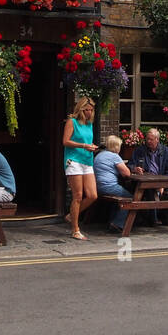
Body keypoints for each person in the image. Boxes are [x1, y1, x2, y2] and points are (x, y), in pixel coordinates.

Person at [130, 127, 168, 225]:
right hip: (147, 182)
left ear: (157, 139)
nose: (148, 141)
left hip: (164, 181)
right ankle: (153, 221)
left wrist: (163, 185)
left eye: (151, 139)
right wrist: (134, 169)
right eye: (147, 139)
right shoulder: (140, 150)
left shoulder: (166, 151)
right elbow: (130, 164)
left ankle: (166, 217)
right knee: (152, 194)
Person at [62, 97, 99, 240]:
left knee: (92, 195)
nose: (89, 112)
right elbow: (65, 141)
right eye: (86, 110)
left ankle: (71, 215)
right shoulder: (72, 122)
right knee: (78, 195)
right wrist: (83, 146)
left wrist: (92, 146)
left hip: (87, 160)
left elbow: (87, 141)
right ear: (80, 109)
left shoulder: (89, 124)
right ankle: (75, 230)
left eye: (91, 110)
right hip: (73, 160)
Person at [94, 135, 136, 234]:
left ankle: (113, 221)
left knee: (119, 198)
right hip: (109, 187)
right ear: (116, 147)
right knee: (131, 199)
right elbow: (127, 173)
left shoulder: (100, 155)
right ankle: (117, 224)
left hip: (97, 187)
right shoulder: (114, 156)